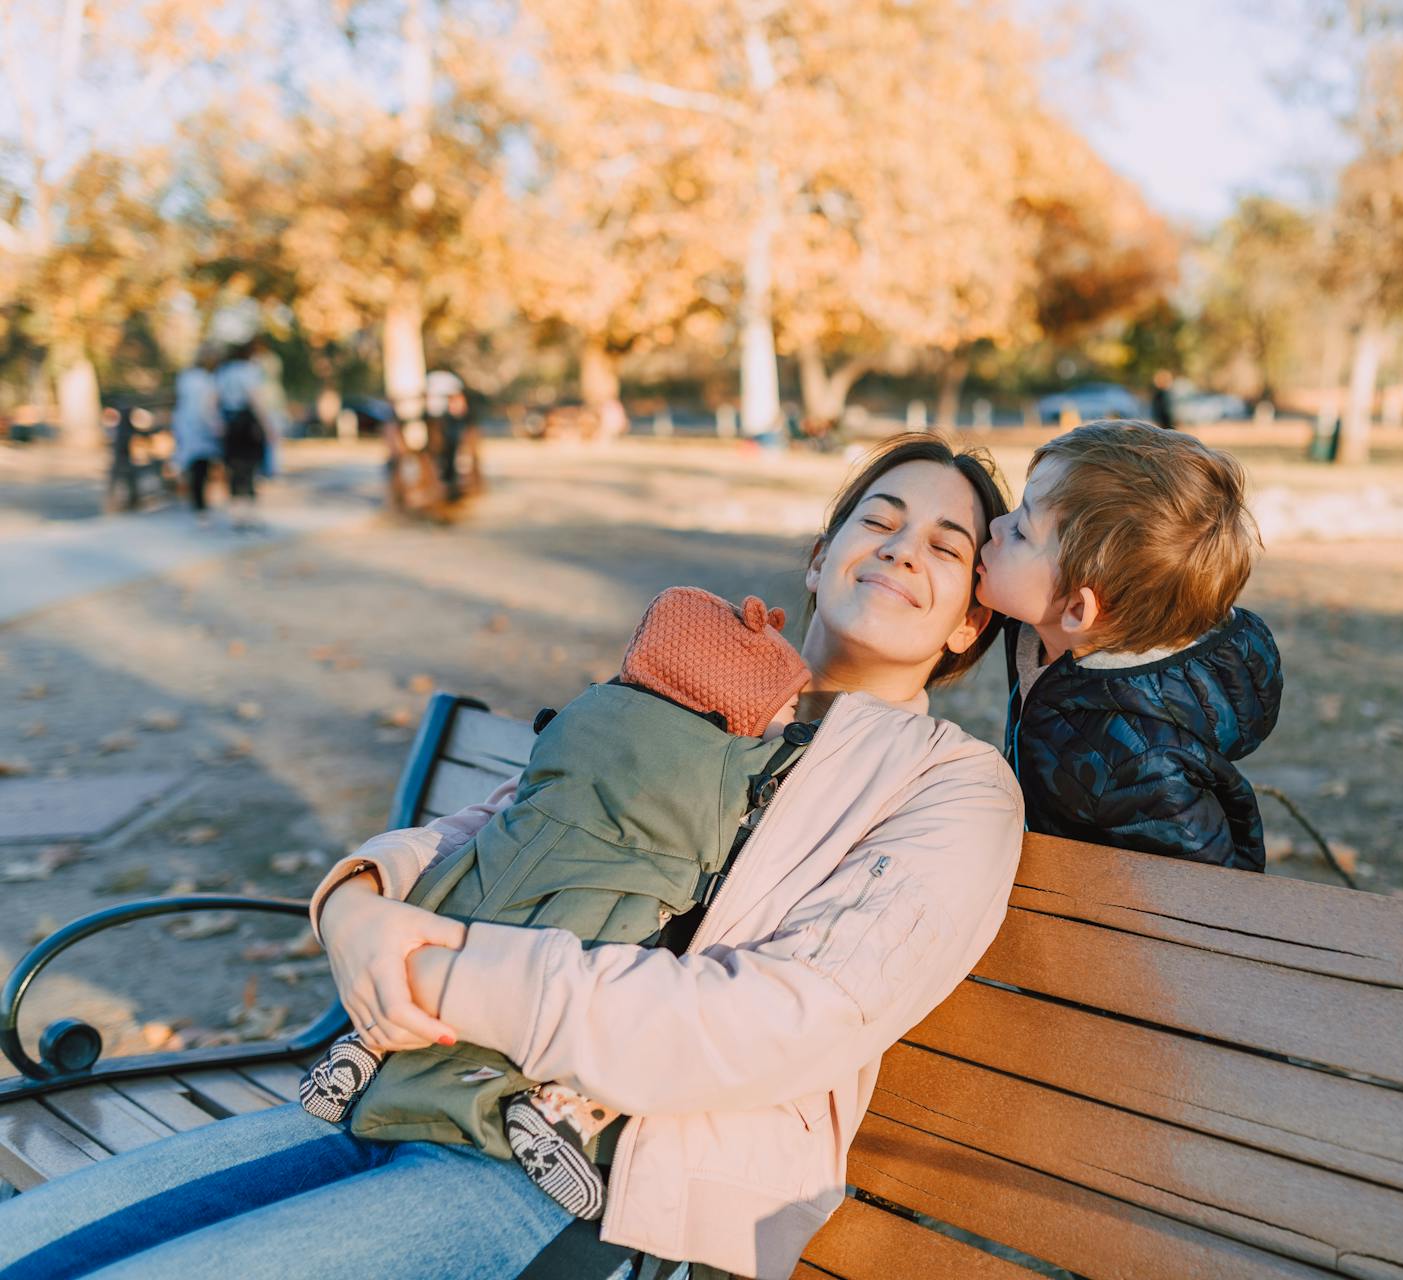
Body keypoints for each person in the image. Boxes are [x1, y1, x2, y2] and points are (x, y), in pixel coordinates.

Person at [0, 434, 1021, 1280]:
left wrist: (445, 970)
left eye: (944, 542)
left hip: (593, 1175)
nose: (899, 548)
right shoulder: (690, 687)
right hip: (404, 1082)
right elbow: (496, 821)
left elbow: (778, 1021)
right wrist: (358, 904)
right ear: (819, 553)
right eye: (877, 518)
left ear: (972, 613)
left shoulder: (951, 787)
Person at [297, 587, 815, 1224]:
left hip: (495, 874)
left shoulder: (590, 713)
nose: (791, 716)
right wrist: (351, 905)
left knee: (459, 928)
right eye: (783, 704)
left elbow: (516, 804)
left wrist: (359, 897)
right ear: (733, 702)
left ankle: (365, 1051)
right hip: (613, 906)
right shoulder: (738, 765)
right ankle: (558, 1107)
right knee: (607, 987)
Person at [975, 419, 1283, 871]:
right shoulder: (1055, 636)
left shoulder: (1140, 765)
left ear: (1079, 611)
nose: (996, 527)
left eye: (1022, 531)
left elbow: (1209, 897)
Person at [215, 340, 271, 531]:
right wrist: (268, 427)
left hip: (229, 423)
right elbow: (256, 400)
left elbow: (215, 398)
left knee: (234, 469)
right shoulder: (249, 371)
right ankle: (249, 515)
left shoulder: (223, 372)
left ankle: (236, 516)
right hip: (247, 425)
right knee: (250, 469)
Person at [172, 347, 223, 528]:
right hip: (201, 428)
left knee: (193, 467)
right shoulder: (208, 380)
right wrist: (216, 425)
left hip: (184, 424)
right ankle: (202, 510)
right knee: (202, 469)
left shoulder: (185, 377)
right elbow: (207, 407)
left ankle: (197, 505)